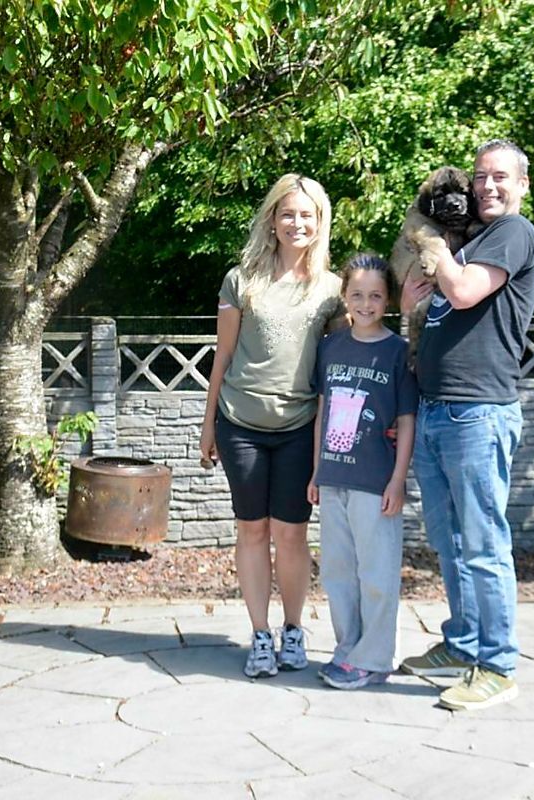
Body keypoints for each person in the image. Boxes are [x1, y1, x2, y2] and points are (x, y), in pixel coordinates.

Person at [398, 139, 534, 710]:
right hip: (436, 409)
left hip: (477, 412)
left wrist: (427, 242)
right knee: (450, 542)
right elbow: (428, 306)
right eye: (481, 176)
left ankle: (498, 665)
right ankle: (462, 645)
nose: (487, 186)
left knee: (483, 544)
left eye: (500, 176)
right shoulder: (472, 240)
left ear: (522, 184)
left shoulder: (514, 233)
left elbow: (460, 292)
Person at [200, 174, 346, 679]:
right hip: (240, 423)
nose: (296, 223)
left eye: (307, 215)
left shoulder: (333, 289)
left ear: (320, 222)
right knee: (251, 529)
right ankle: (260, 635)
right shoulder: (240, 281)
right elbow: (222, 355)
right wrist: (207, 426)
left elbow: (340, 369)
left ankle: (293, 630)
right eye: (288, 213)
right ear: (272, 219)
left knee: (291, 533)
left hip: (300, 427)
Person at [307, 253, 417, 690]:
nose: (366, 304)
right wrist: (316, 472)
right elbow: (322, 412)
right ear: (345, 297)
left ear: (387, 299)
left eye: (375, 296)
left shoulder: (398, 352)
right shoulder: (330, 347)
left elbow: (406, 419)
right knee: (337, 571)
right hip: (334, 478)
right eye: (357, 295)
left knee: (376, 573)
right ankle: (348, 648)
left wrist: (398, 480)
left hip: (376, 481)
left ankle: (373, 658)